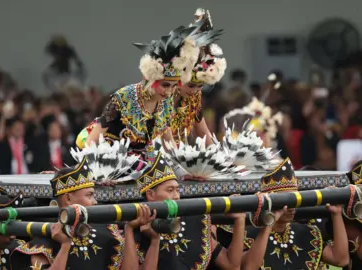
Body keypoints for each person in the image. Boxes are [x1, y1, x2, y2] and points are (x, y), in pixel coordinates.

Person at [78, 24, 202, 159]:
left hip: (137, 158)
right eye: (165, 85)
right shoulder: (124, 97)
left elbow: (168, 142)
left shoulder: (165, 103)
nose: (169, 92)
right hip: (104, 154)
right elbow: (93, 138)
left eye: (174, 86)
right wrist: (96, 167)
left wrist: (184, 168)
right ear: (151, 79)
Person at [11, 158, 156, 269]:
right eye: (89, 195)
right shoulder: (43, 243)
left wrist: (129, 230)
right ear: (68, 198)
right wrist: (66, 245)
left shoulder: (110, 233)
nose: (95, 202)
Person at [131, 150, 246, 269]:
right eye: (170, 190)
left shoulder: (195, 220)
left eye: (177, 190)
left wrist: (240, 219)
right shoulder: (137, 227)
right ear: (150, 195)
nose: (176, 196)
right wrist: (155, 241)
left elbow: (232, 265)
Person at [241, 158, 349, 270]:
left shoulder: (308, 233)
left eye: (295, 200)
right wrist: (269, 223)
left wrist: (336, 214)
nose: (292, 207)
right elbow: (250, 267)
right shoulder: (249, 235)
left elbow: (341, 259)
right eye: (285, 201)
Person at [171, 8, 227, 145]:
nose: (194, 91)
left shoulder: (193, 99)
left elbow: (203, 133)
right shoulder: (163, 97)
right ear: (179, 78)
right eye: (191, 85)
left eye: (200, 86)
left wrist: (219, 159)